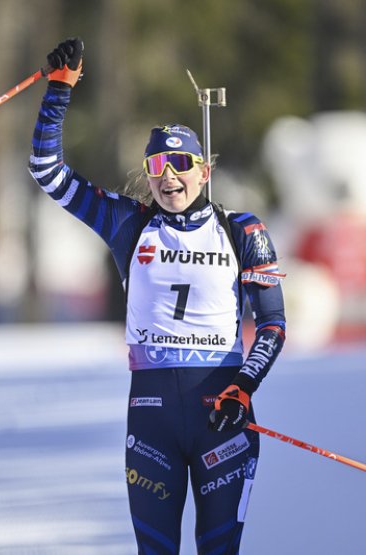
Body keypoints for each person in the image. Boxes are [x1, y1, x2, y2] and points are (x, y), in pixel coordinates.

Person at [29, 38, 286, 555]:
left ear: (204, 170)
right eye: (157, 167)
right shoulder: (130, 223)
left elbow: (273, 324)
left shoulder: (242, 231)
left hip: (223, 415)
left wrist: (243, 387)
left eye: (182, 164)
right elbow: (47, 171)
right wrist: (59, 90)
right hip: (152, 415)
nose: (169, 177)